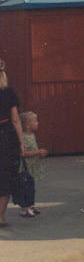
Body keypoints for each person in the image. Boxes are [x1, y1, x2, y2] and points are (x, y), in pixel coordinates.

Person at [0, 60, 24, 227]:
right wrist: (22, 142)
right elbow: (15, 119)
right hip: (6, 136)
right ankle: (0, 216)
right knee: (6, 176)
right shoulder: (8, 92)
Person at [17, 111, 47, 217]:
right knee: (25, 187)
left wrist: (39, 154)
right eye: (35, 121)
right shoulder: (23, 137)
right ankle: (25, 208)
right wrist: (37, 152)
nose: (37, 123)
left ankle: (30, 205)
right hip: (24, 167)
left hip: (32, 167)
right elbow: (23, 152)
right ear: (27, 125)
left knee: (31, 187)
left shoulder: (32, 135)